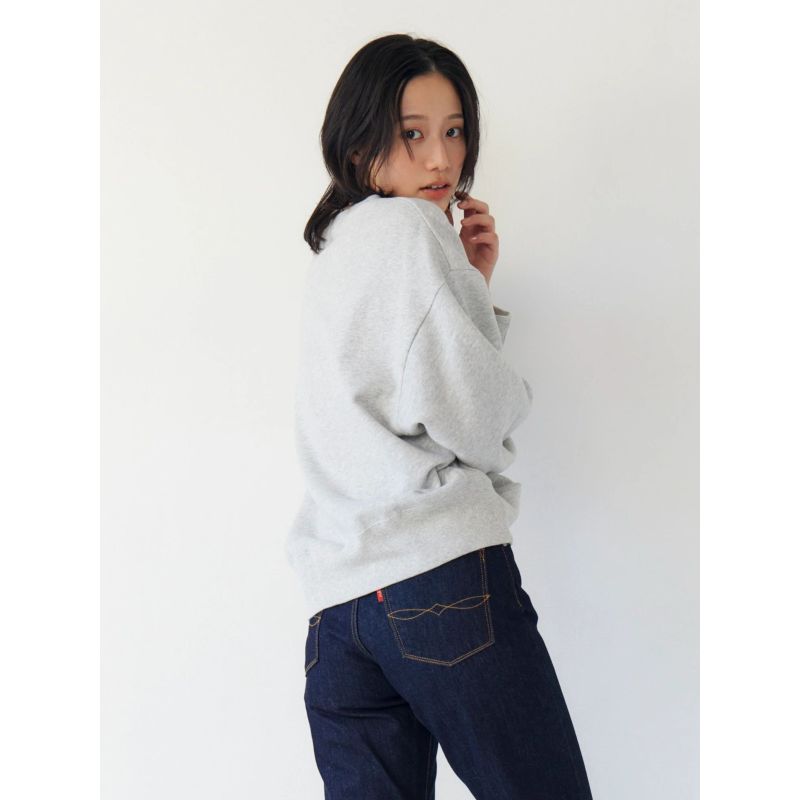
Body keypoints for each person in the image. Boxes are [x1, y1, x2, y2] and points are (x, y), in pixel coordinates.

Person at [285, 33, 595, 799]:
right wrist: (468, 294)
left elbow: (403, 388)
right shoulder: (412, 231)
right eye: (412, 133)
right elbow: (478, 414)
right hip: (438, 582)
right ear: (360, 146)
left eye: (454, 131)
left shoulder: (334, 252)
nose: (441, 159)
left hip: (337, 617)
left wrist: (468, 285)